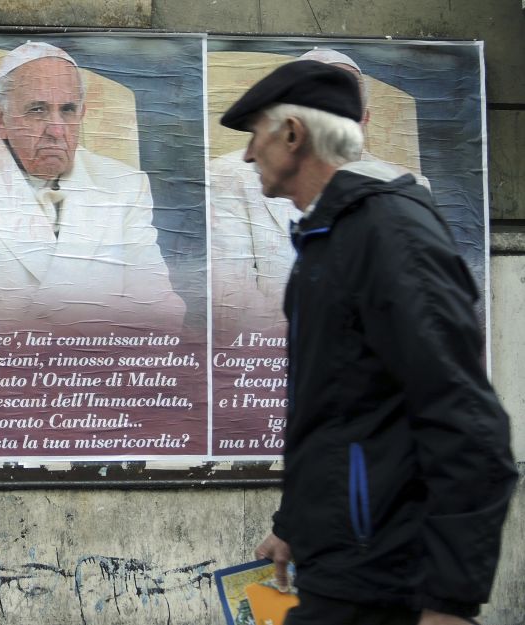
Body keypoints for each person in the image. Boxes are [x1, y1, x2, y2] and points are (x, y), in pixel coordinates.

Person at [219, 60, 517, 624]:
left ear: (292, 134)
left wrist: (451, 601)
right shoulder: (329, 240)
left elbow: (469, 424)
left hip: (387, 581)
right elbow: (338, 415)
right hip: (342, 569)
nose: (248, 153)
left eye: (255, 133)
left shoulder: (391, 236)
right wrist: (294, 527)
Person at [0, 41, 184, 332]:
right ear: (0, 119)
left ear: (82, 114)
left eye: (67, 110)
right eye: (37, 110)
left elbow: (158, 309)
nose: (56, 130)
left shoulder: (124, 185)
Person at [210, 48, 429, 335]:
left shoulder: (405, 193)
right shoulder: (229, 175)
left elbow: (420, 323)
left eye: (258, 133)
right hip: (261, 363)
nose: (250, 154)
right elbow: (229, 305)